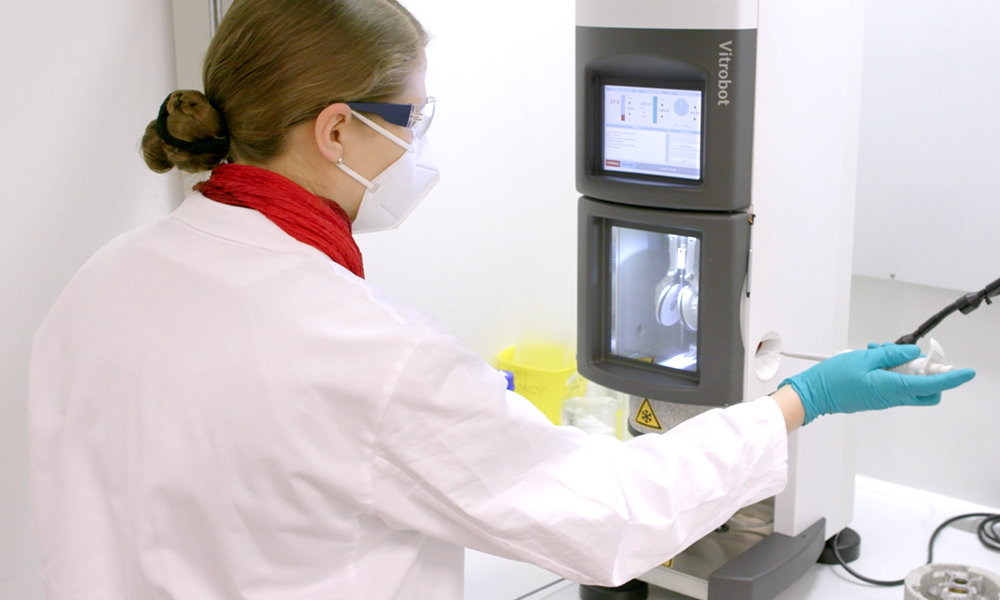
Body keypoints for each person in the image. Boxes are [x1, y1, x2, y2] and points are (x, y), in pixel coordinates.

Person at [28, 1, 975, 599]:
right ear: (335, 130)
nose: (419, 148)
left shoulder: (101, 282)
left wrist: (467, 428)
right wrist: (802, 401)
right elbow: (610, 515)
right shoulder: (367, 353)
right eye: (411, 119)